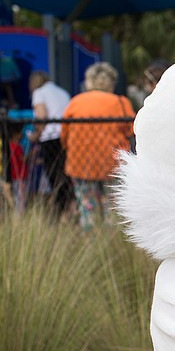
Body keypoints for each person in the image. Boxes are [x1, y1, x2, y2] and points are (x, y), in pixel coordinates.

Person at [61, 62, 134, 230]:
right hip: (112, 163)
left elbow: (64, 135)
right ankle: (112, 239)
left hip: (80, 162)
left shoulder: (76, 102)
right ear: (111, 82)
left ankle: (90, 237)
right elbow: (132, 130)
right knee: (113, 207)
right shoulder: (120, 102)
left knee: (87, 207)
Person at [28, 71, 72, 216]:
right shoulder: (62, 92)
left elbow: (42, 116)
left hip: (49, 137)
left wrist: (36, 135)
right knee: (65, 175)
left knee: (54, 176)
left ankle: (61, 210)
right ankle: (69, 208)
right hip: (65, 136)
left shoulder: (39, 93)